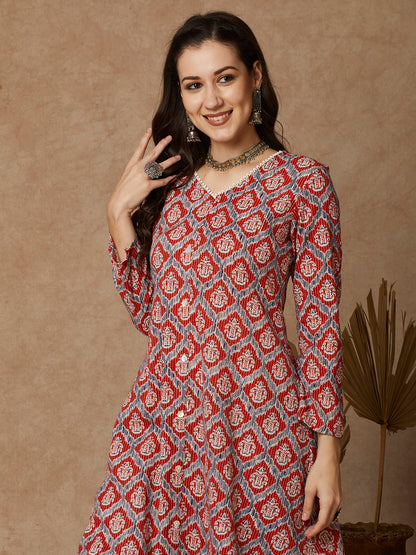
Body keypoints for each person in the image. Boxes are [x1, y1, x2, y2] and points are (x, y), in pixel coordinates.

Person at [78, 11, 344, 555]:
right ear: (181, 95)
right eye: (194, 85)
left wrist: (328, 455)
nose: (212, 100)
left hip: (257, 423)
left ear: (255, 75)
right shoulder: (172, 190)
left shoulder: (301, 183)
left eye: (225, 78)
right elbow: (155, 319)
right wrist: (117, 213)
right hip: (163, 422)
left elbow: (320, 331)